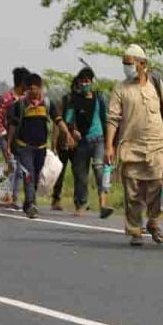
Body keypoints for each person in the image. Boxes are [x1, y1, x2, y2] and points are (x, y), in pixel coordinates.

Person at [106, 45, 163, 245]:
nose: (126, 67)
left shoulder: (156, 83)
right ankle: (135, 229)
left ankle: (154, 222)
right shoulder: (120, 88)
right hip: (131, 146)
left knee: (158, 186)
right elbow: (112, 119)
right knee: (133, 191)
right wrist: (109, 146)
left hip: (157, 145)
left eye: (129, 63)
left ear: (142, 64)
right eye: (124, 63)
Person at [7, 73, 66, 219]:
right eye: (29, 89)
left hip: (41, 148)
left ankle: (28, 202)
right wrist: (8, 145)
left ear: (40, 88)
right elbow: (13, 127)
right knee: (29, 175)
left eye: (35, 88)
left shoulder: (47, 104)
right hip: (24, 146)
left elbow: (58, 120)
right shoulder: (19, 105)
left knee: (36, 175)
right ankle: (32, 203)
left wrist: (68, 135)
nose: (32, 91)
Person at [57, 67, 114, 218]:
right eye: (82, 82)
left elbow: (105, 120)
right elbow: (68, 120)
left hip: (98, 140)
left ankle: (103, 204)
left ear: (92, 82)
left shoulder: (99, 98)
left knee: (99, 168)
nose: (84, 84)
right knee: (80, 175)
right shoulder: (73, 100)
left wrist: (110, 144)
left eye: (87, 81)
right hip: (82, 142)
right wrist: (71, 131)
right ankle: (81, 204)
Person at [0, 67, 29, 208]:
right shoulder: (7, 98)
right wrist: (4, 137)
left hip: (21, 139)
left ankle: (14, 198)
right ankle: (6, 194)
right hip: (6, 138)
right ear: (21, 83)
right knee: (13, 166)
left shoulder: (26, 99)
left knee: (20, 169)